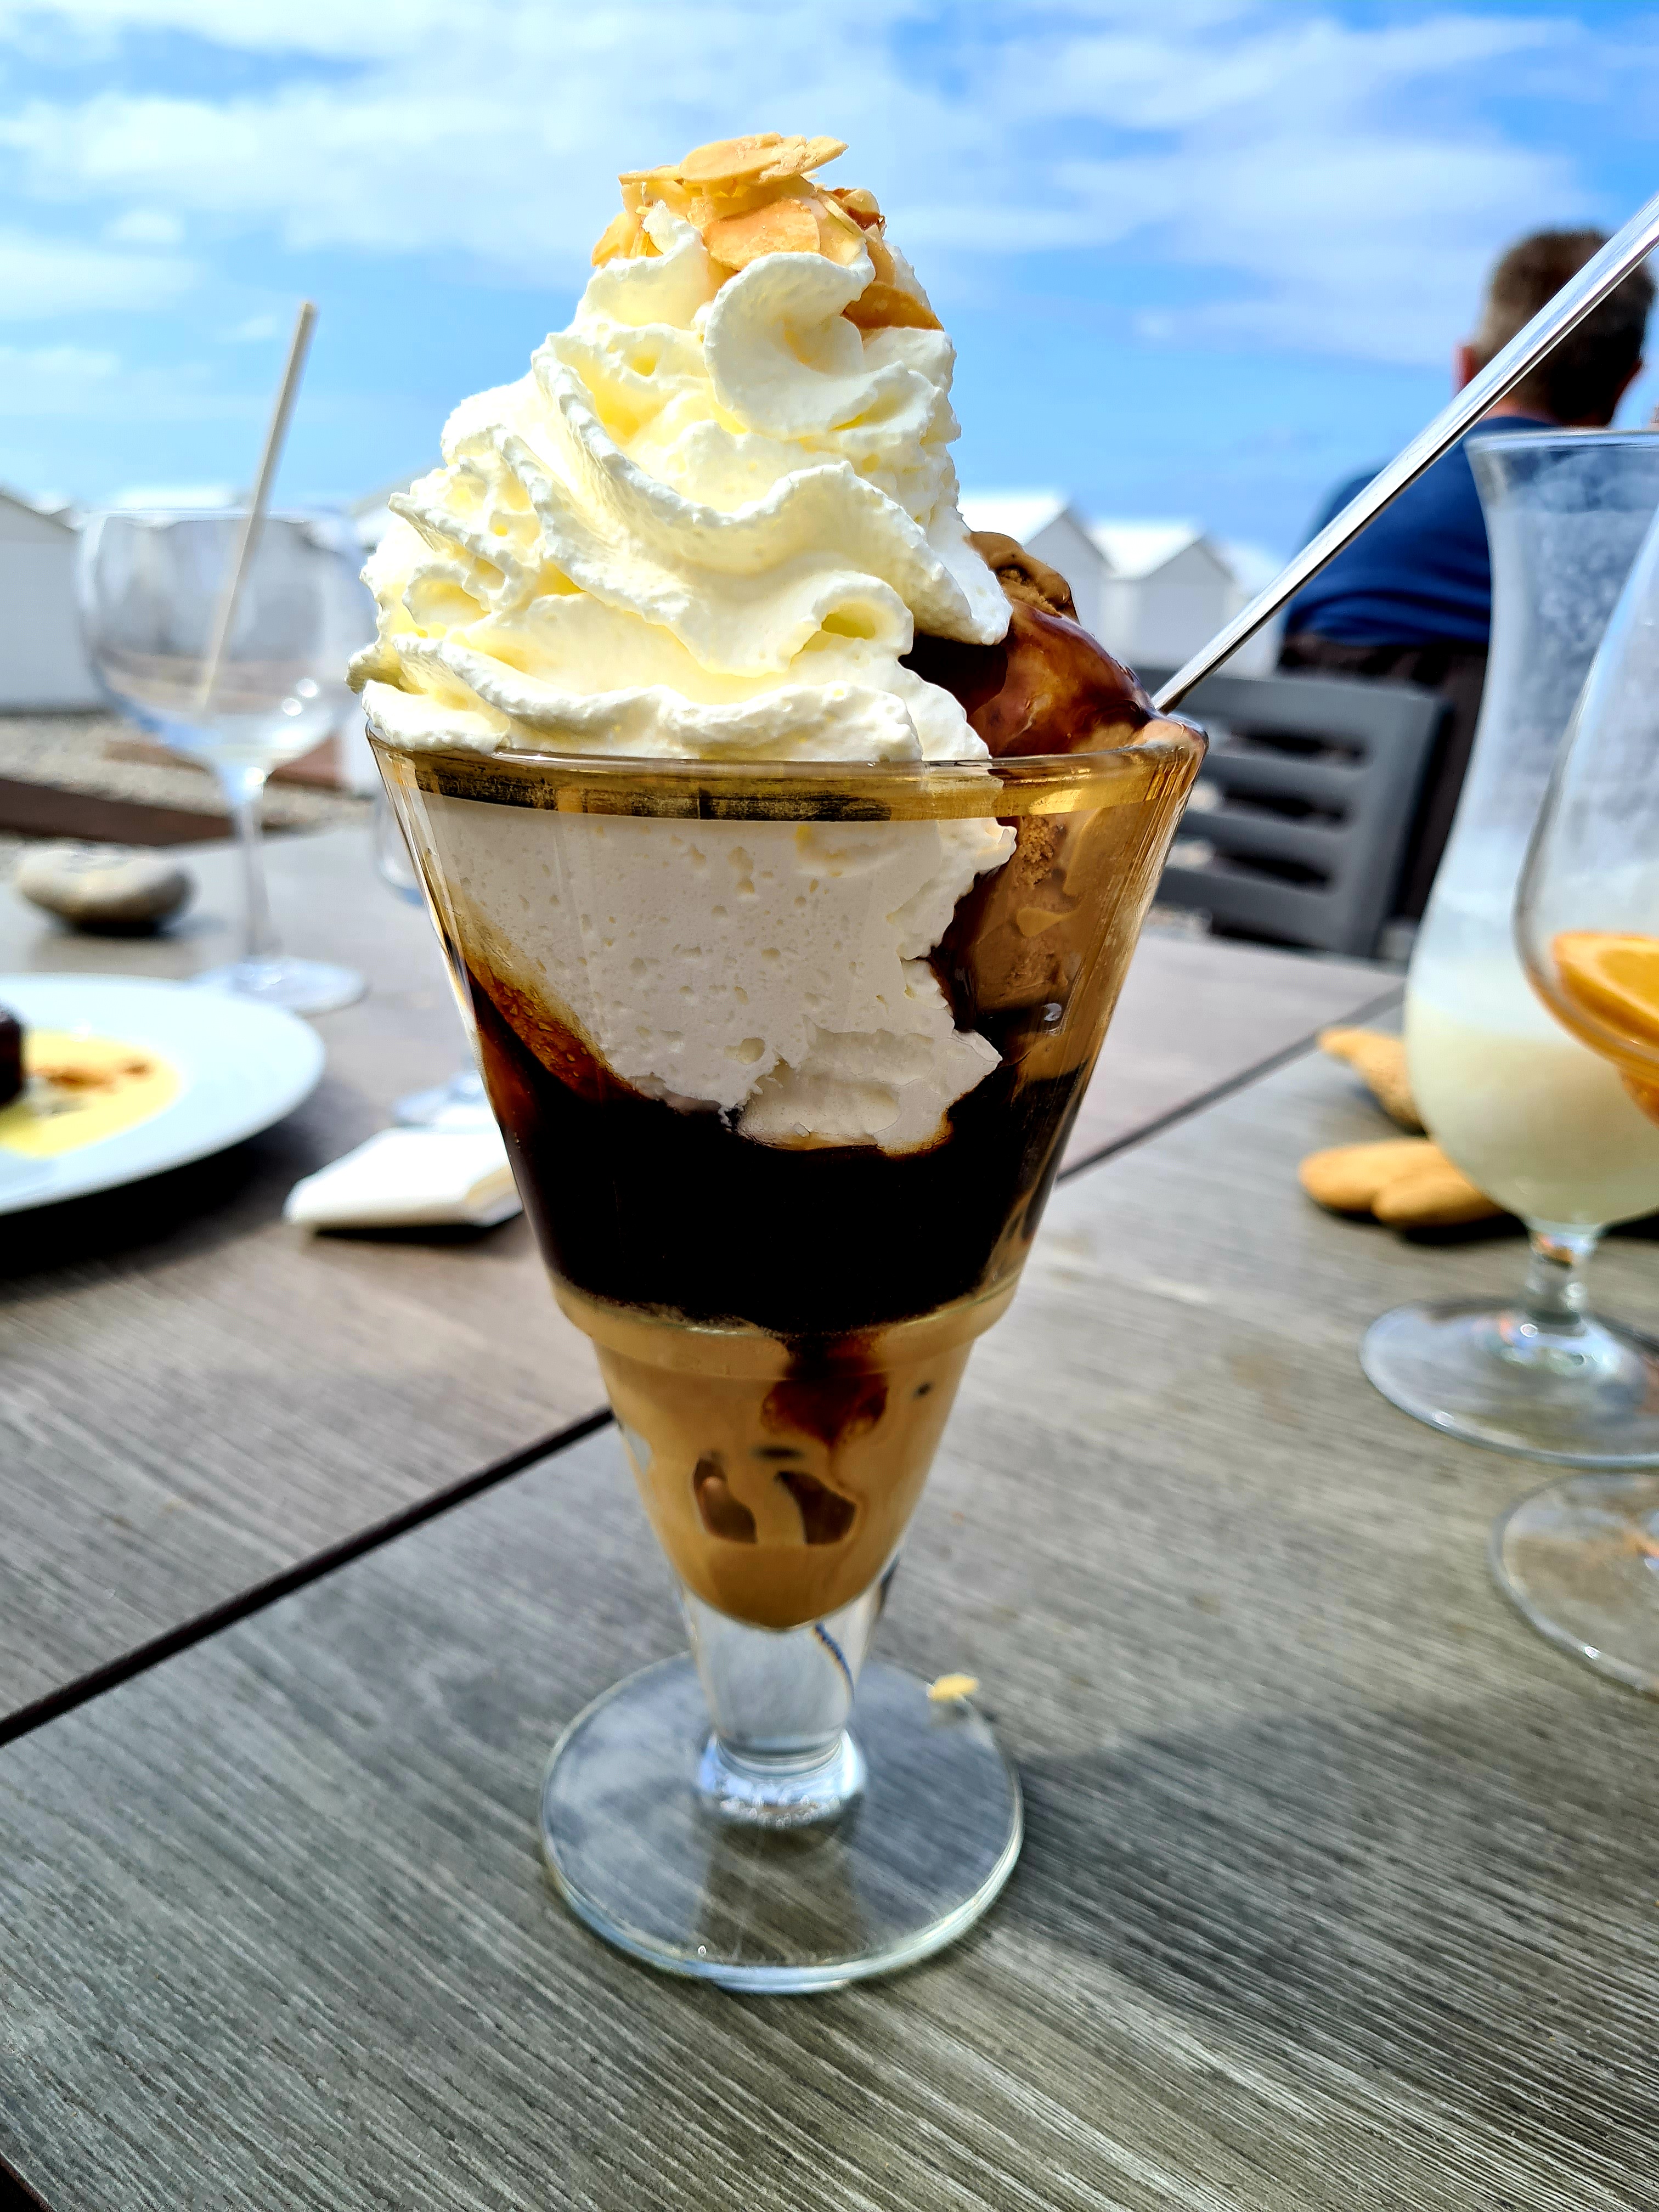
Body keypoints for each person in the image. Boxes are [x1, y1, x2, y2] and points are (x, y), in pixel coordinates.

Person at [1279, 229, 1654, 918]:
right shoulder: (1627, 538)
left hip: (1283, 903)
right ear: (1628, 381)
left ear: (1465, 366)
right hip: (1496, 925)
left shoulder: (1354, 508)